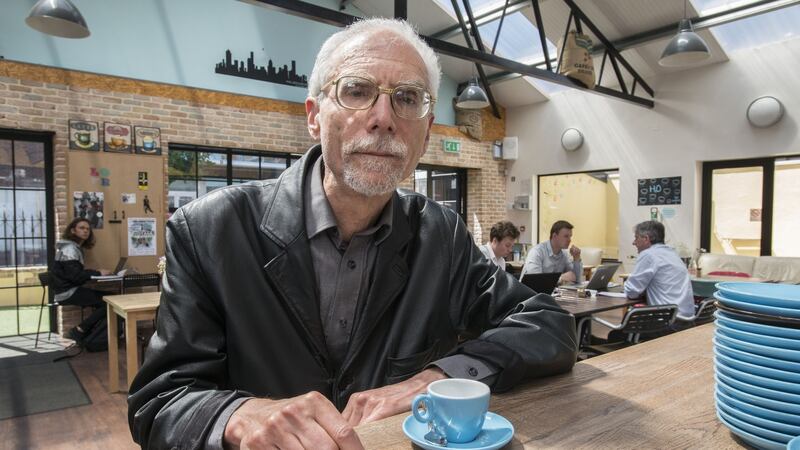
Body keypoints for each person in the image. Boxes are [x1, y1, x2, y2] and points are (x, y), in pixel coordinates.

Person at [128, 18, 576, 450]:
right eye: (357, 91)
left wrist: (437, 377)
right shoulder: (210, 229)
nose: (383, 118)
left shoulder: (441, 234)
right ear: (314, 117)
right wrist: (241, 415)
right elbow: (161, 401)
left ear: (424, 138)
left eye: (407, 98)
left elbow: (549, 326)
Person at [51, 217, 111, 343]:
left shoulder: (71, 247)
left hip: (67, 289)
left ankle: (87, 332)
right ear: (73, 231)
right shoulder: (70, 249)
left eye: (88, 229)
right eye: (82, 228)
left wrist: (94, 273)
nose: (86, 231)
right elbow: (75, 276)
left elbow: (74, 274)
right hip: (67, 292)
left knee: (109, 299)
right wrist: (98, 272)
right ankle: (80, 330)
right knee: (110, 301)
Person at [623, 220, 694, 317]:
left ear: (646, 239)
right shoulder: (672, 253)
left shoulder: (648, 254)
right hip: (686, 319)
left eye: (636, 238)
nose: (633, 243)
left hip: (669, 321)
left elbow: (632, 292)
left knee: (615, 333)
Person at [521, 220, 582, 284]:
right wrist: (560, 278)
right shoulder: (537, 252)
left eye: (570, 236)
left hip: (549, 292)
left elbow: (576, 279)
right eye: (566, 236)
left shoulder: (564, 254)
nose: (569, 240)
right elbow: (535, 281)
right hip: (529, 292)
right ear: (554, 236)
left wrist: (577, 258)